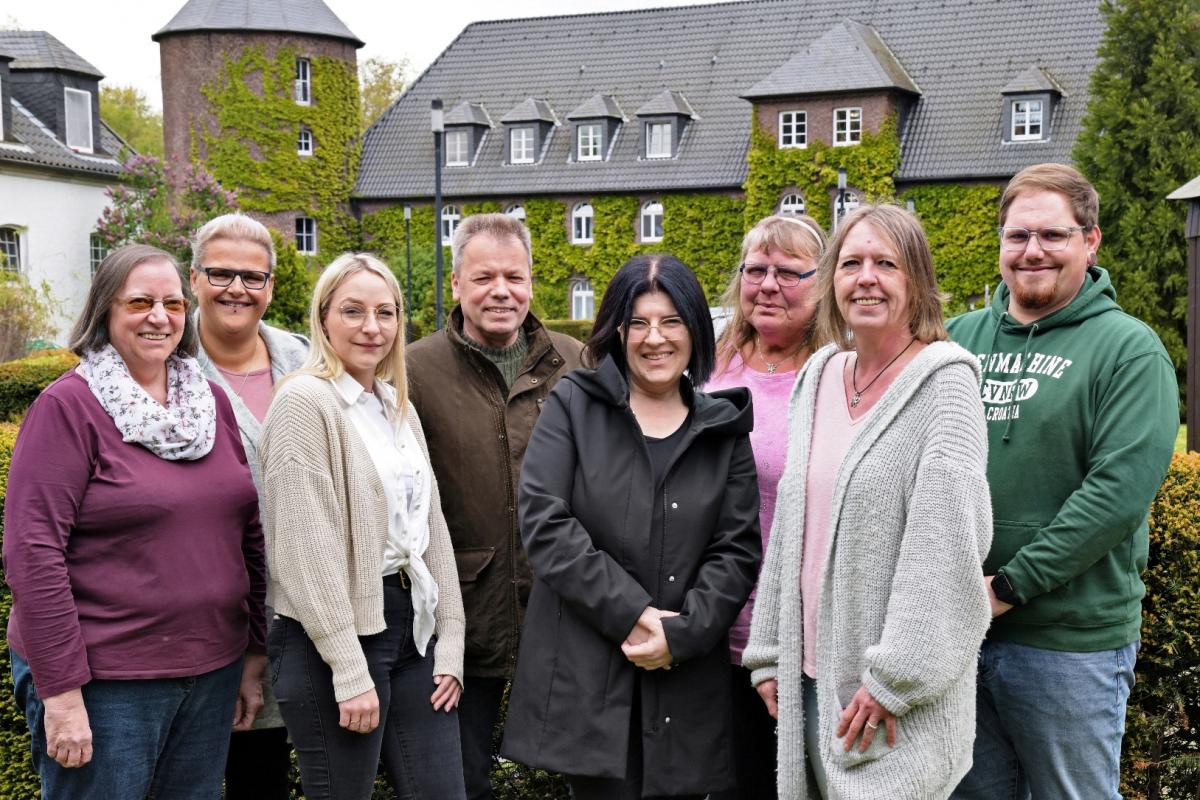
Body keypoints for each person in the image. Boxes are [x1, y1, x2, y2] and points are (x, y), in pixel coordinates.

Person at [744, 205, 993, 798]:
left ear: (918, 282)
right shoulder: (820, 375)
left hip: (890, 696)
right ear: (832, 280)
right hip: (807, 681)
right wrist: (769, 653)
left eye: (887, 263)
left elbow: (946, 552)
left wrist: (893, 680)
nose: (867, 277)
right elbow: (791, 527)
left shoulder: (945, 385)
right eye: (851, 263)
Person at [948, 164, 1177, 799]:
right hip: (961, 632)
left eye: (1053, 235)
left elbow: (1116, 497)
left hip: (1069, 645)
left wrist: (1010, 585)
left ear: (1090, 240)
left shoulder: (1129, 351)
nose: (1033, 251)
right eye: (1018, 236)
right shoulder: (958, 341)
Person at [4, 243, 266, 799]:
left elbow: (248, 531)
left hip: (212, 668)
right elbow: (33, 554)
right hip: (107, 684)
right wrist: (62, 693)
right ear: (105, 311)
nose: (159, 316)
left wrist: (253, 653)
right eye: (140, 302)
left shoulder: (209, 402)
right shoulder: (68, 408)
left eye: (173, 303)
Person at [501, 254, 762, 799]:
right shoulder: (574, 405)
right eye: (638, 323)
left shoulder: (724, 428)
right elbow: (547, 524)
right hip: (593, 680)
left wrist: (682, 632)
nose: (654, 338)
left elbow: (736, 550)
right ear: (617, 332)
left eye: (671, 321)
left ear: (695, 330)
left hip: (687, 682)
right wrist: (637, 616)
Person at [260, 253, 467, 800]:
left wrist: (451, 640)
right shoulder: (305, 403)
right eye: (353, 311)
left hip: (412, 630)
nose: (372, 327)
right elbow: (306, 551)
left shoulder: (396, 405)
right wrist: (349, 668)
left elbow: (432, 531)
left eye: (386, 312)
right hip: (333, 635)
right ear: (323, 317)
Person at [405, 212, 583, 799]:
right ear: (456, 284)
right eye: (483, 278)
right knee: (462, 778)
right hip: (461, 615)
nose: (500, 291)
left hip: (563, 609)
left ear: (532, 282)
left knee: (581, 775)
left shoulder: (575, 362)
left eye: (514, 276)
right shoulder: (415, 370)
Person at [706, 213, 827, 800]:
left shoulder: (840, 371)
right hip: (711, 630)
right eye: (756, 270)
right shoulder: (708, 363)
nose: (768, 285)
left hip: (803, 641)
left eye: (788, 272)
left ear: (822, 282)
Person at [189, 212, 308, 800]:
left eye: (253, 277)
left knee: (265, 778)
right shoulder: (162, 361)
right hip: (203, 621)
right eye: (221, 273)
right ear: (194, 280)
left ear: (271, 287)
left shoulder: (306, 359)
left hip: (297, 615)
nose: (237, 288)